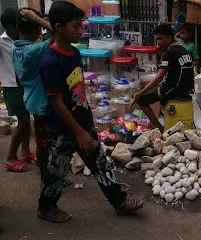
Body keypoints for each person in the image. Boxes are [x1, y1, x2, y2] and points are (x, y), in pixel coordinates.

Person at [38, 1, 143, 223]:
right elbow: (56, 102)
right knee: (57, 172)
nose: (81, 31)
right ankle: (46, 208)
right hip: (62, 129)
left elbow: (77, 90)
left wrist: (87, 121)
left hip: (82, 123)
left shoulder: (75, 53)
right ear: (58, 28)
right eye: (76, 27)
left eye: (81, 25)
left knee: (101, 164)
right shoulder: (51, 62)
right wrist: (78, 132)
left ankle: (119, 201)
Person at [12, 8, 55, 177]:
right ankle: (48, 174)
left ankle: (45, 173)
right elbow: (57, 33)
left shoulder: (15, 49)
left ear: (17, 27)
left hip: (31, 100)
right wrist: (37, 18)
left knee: (41, 141)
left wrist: (36, 22)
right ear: (38, 29)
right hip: (43, 103)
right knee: (48, 143)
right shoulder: (33, 51)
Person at [131, 24, 195, 132]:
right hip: (186, 89)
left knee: (141, 100)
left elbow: (159, 77)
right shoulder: (183, 49)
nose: (159, 42)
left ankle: (159, 128)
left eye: (161, 39)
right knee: (158, 91)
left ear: (169, 38)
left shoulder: (170, 52)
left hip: (174, 90)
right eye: (157, 39)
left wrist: (140, 93)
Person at [1, 8, 35, 172]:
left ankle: (26, 152)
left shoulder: (22, 39)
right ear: (10, 26)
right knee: (23, 121)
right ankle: (10, 157)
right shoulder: (1, 42)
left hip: (23, 85)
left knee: (27, 120)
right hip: (11, 86)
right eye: (17, 25)